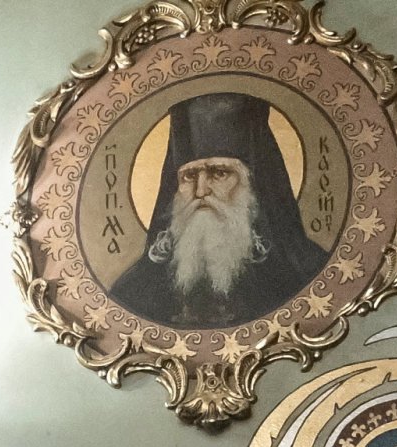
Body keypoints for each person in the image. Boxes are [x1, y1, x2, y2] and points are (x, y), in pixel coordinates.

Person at [107, 91, 333, 331]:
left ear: (255, 188)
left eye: (220, 173)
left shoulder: (307, 274)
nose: (201, 190)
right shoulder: (134, 291)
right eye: (189, 176)